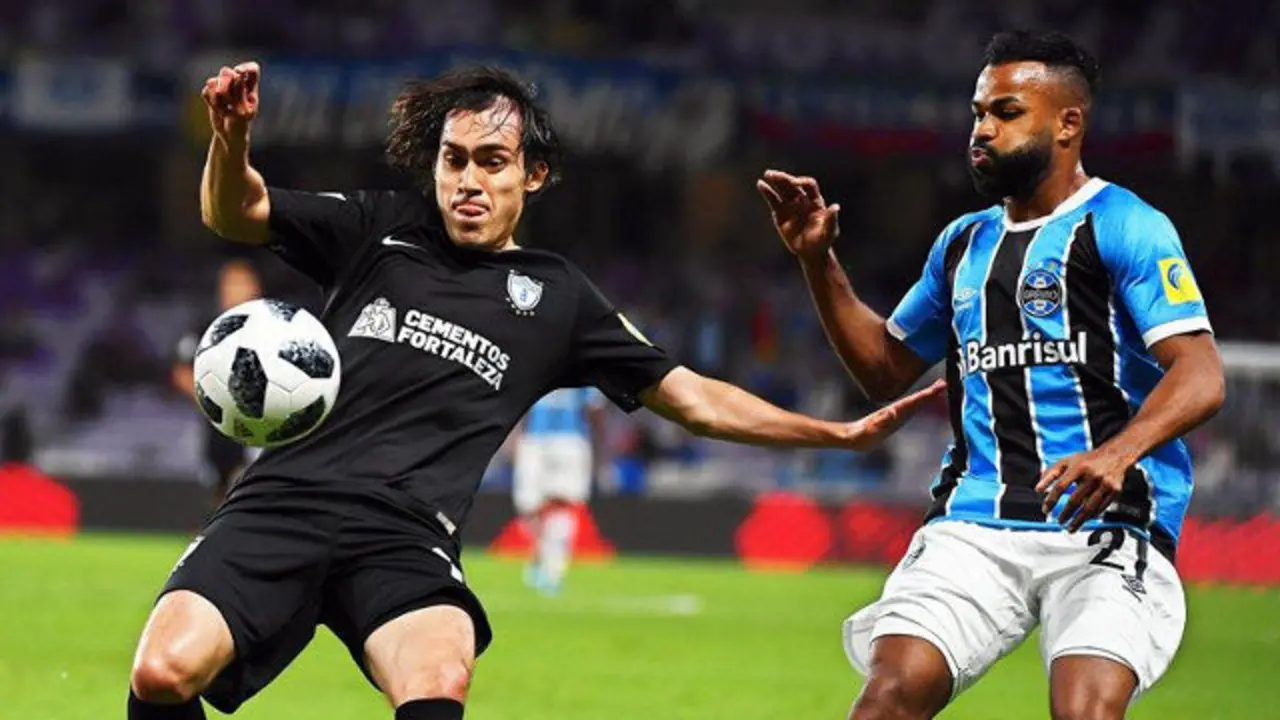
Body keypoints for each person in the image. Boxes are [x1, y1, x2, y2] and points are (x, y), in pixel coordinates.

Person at [126, 62, 945, 720]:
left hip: (404, 535)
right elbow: (236, 212)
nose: (467, 181)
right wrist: (230, 139)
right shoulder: (380, 228)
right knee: (162, 673)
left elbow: (692, 398)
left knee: (438, 678)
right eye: (453, 160)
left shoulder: (559, 299)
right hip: (284, 501)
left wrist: (833, 434)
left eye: (491, 162)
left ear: (534, 174)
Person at [757, 30, 1225, 720]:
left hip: (1108, 522)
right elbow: (884, 369)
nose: (982, 129)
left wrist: (1117, 454)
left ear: (1068, 124)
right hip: (976, 520)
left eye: (1007, 113)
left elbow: (1202, 375)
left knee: (1084, 711)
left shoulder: (1125, 224)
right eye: (978, 113)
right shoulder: (962, 244)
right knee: (888, 698)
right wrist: (817, 262)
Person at [171, 258, 264, 507]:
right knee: (218, 493)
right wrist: (213, 399)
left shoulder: (271, 329)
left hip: (258, 426)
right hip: (217, 430)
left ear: (255, 288)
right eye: (229, 283)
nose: (234, 290)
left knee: (250, 488)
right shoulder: (205, 329)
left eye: (240, 283)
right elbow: (181, 371)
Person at [511, 387, 607, 596]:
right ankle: (539, 557)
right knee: (529, 506)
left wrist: (601, 449)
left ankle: (552, 571)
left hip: (568, 439)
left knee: (563, 504)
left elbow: (594, 406)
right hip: (537, 438)